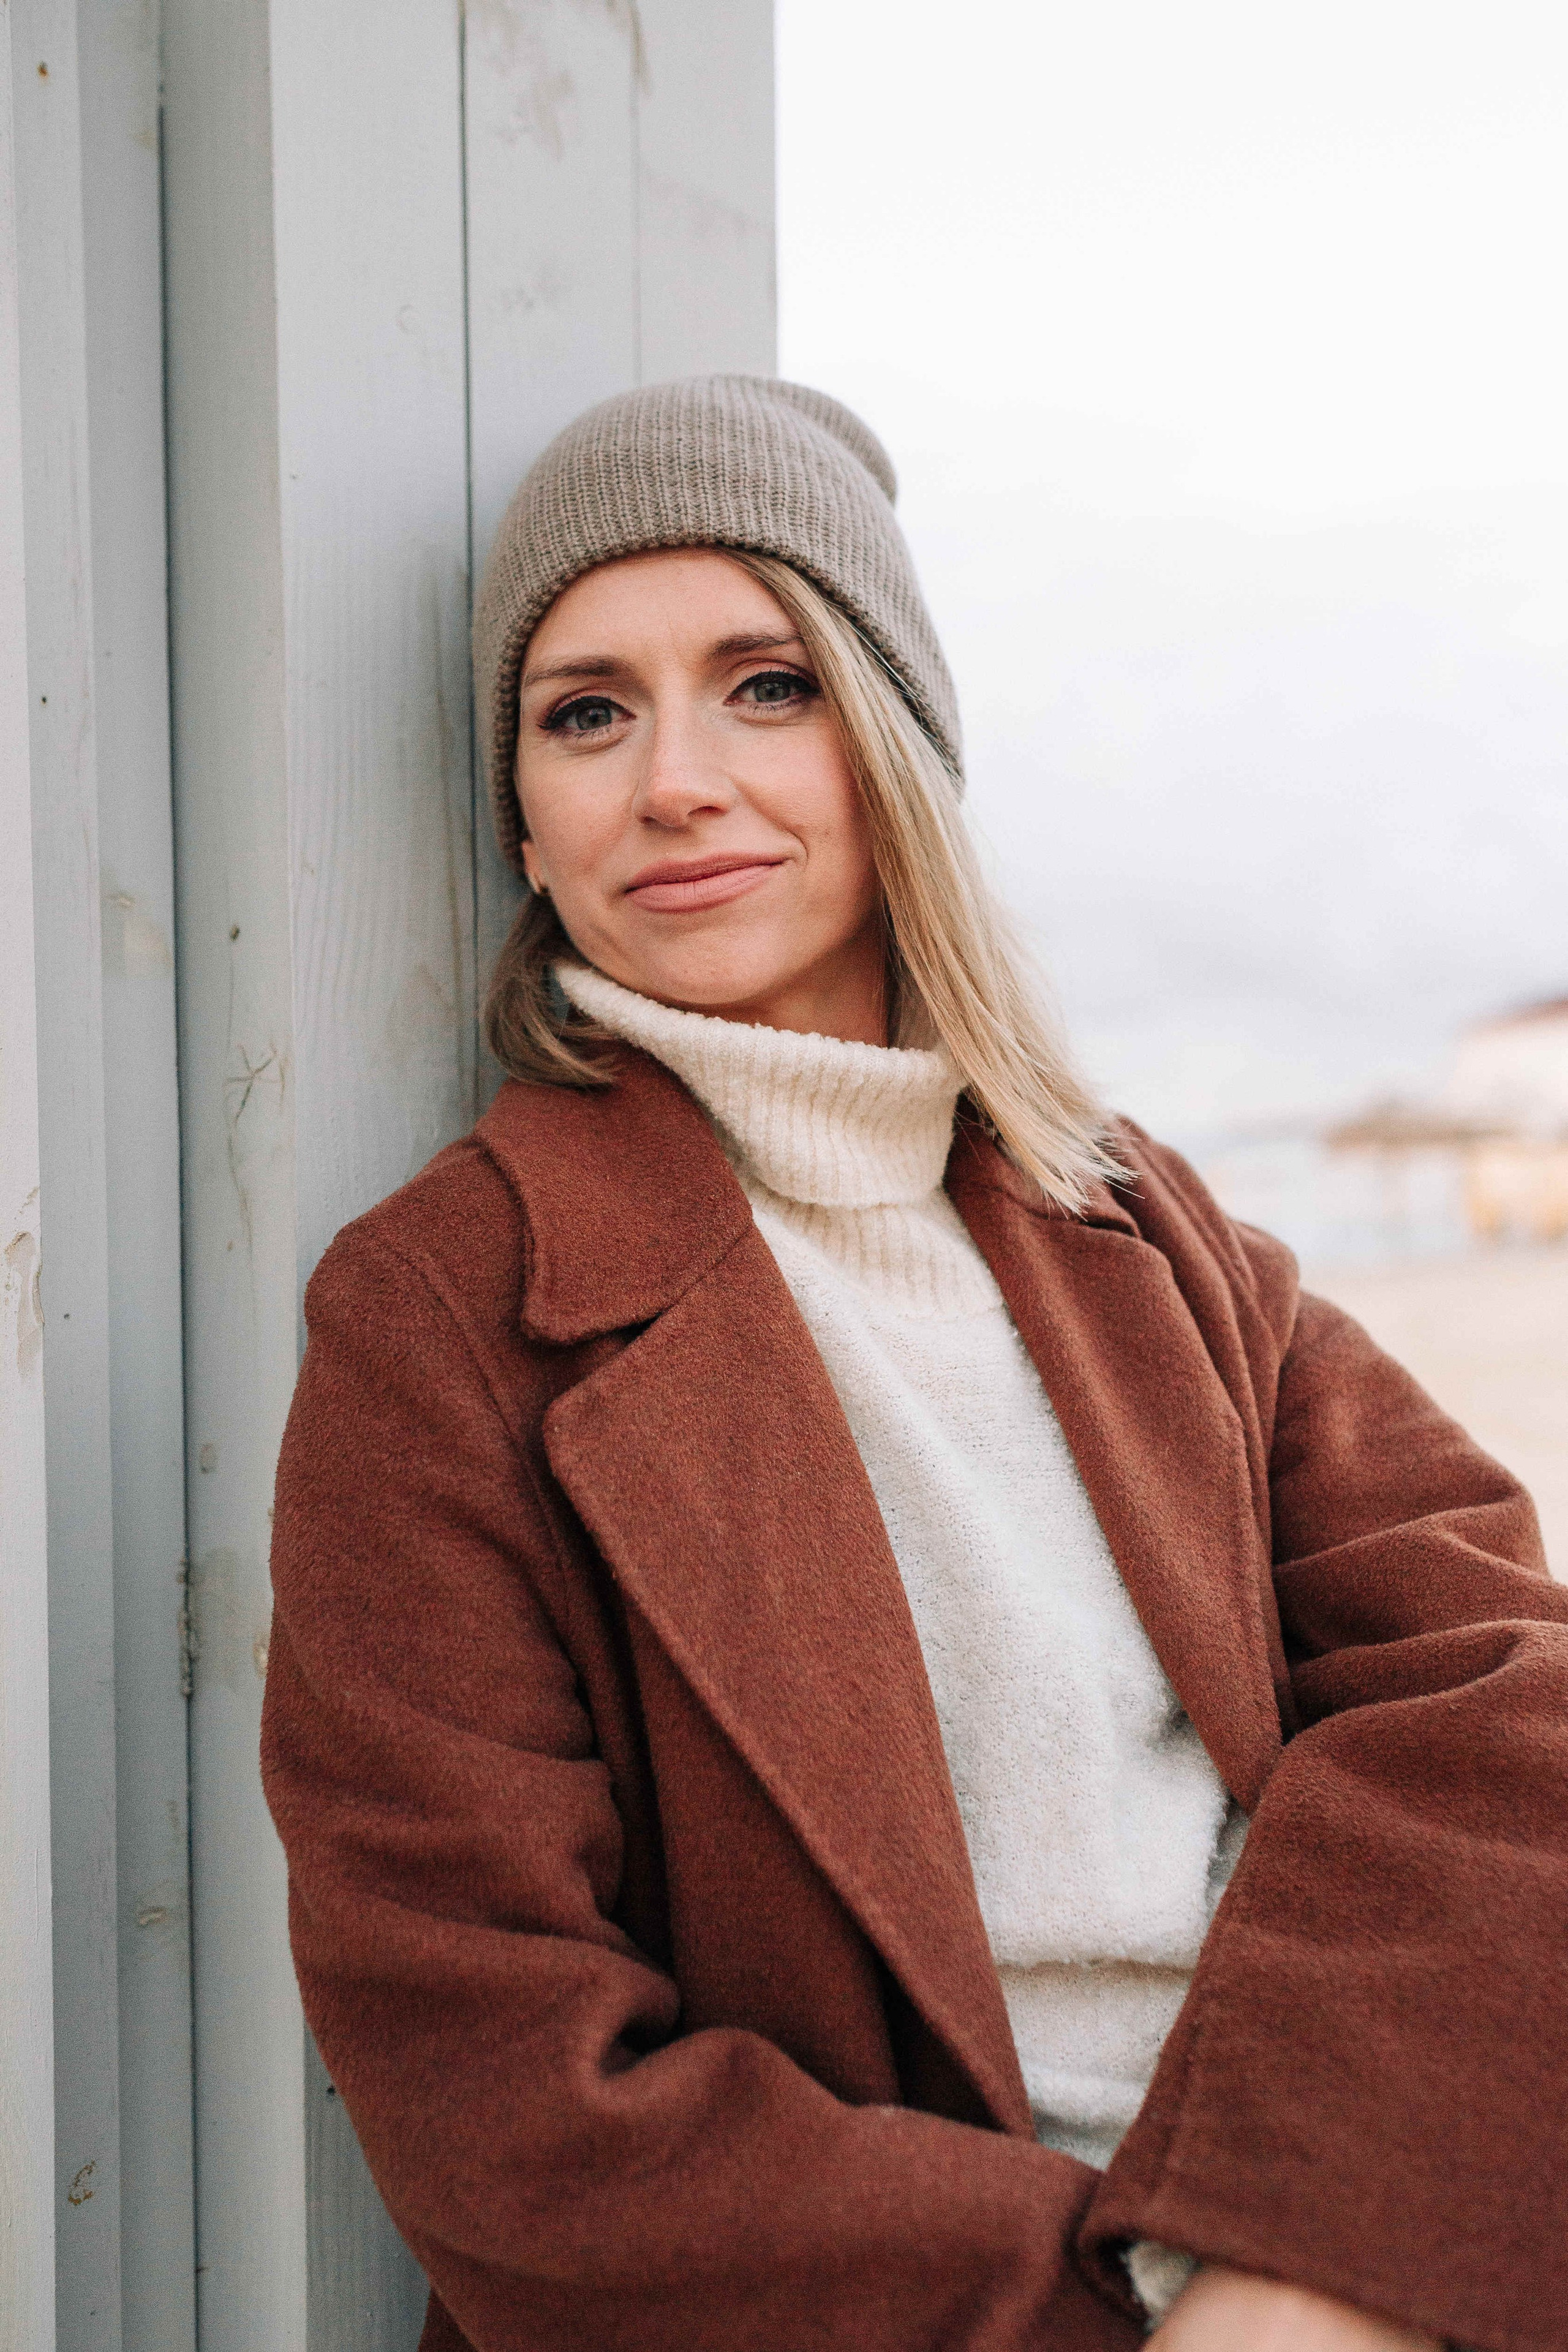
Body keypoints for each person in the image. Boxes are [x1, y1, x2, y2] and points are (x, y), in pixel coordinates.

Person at [260, 377, 1568, 2352]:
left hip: (1320, 2251)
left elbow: (1497, 1696)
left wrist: (1301, 2261)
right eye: (586, 711)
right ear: (528, 827)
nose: (675, 779)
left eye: (765, 683)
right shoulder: (442, 1311)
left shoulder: (1151, 1228)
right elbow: (498, 2089)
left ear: (893, 746)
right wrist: (1129, 2306)